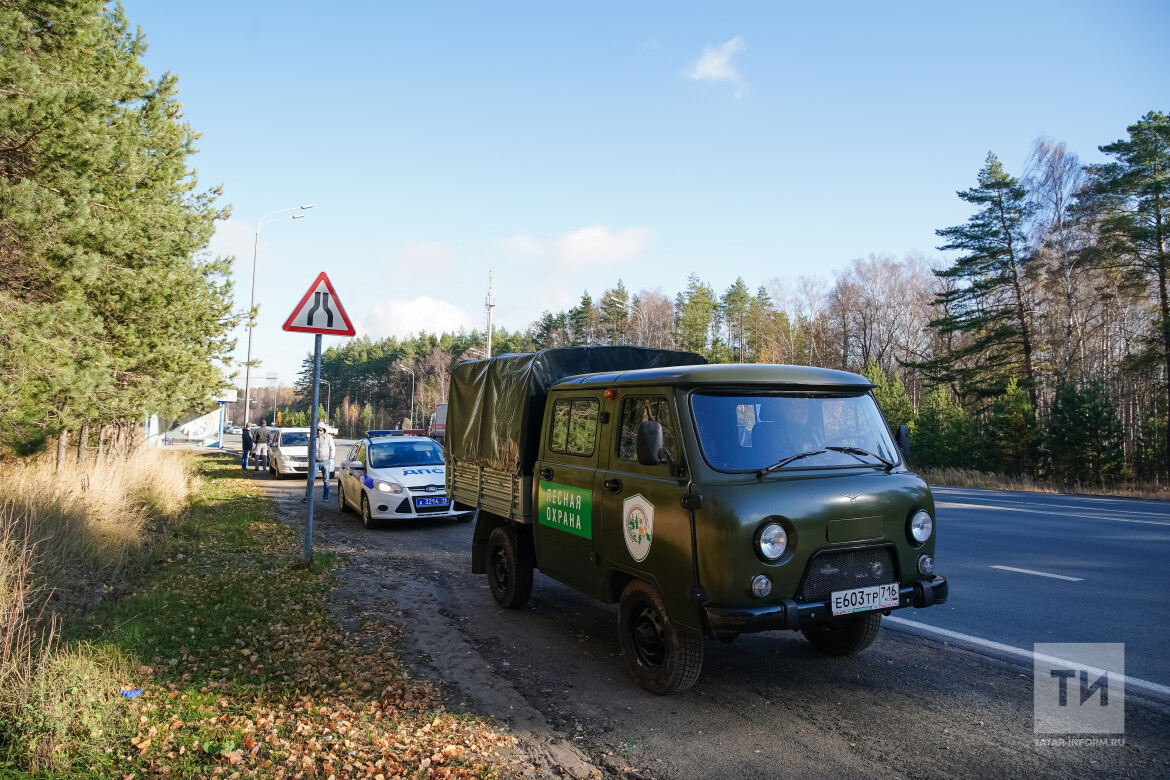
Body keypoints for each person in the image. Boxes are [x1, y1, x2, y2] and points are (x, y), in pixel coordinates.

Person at [314, 420, 335, 501]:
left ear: (324, 430)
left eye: (321, 430)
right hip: (315, 462)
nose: (319, 432)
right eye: (318, 430)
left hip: (325, 462)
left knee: (326, 480)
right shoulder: (314, 437)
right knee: (311, 479)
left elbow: (332, 448)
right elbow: (310, 448)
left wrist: (330, 459)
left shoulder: (328, 437)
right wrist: (310, 458)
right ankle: (307, 497)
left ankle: (325, 497)